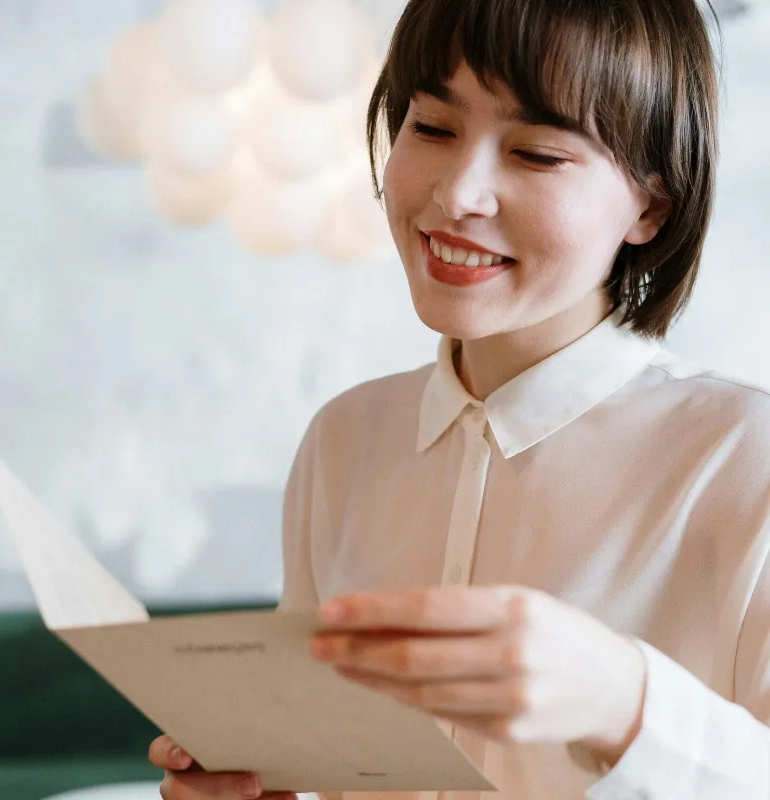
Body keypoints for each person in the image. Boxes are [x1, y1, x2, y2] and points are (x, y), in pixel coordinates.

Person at [150, 0, 770, 797]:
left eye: (538, 153)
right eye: (433, 128)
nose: (456, 195)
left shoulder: (744, 459)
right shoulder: (345, 440)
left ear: (651, 204)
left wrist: (625, 702)